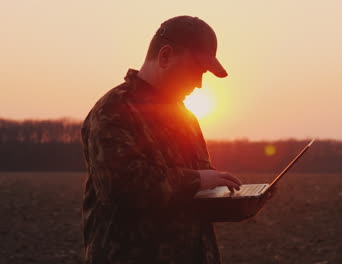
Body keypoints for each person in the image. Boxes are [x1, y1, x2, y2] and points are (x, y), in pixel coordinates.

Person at [80, 16, 271, 264]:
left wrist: (235, 202)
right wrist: (199, 179)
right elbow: (123, 187)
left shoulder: (185, 117)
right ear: (165, 56)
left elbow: (191, 193)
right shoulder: (113, 110)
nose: (200, 84)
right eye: (196, 71)